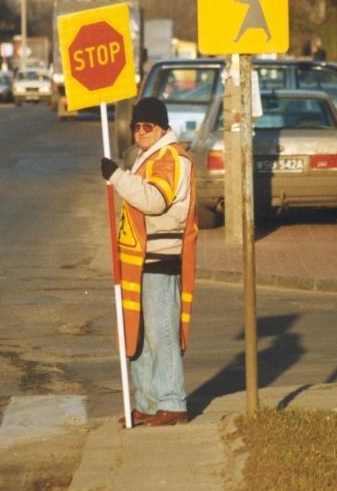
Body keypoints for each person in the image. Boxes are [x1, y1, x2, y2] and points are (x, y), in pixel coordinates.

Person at [100, 97, 197, 427]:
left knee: (161, 334)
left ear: (163, 128)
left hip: (159, 257)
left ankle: (172, 403)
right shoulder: (149, 156)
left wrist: (118, 177)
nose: (141, 132)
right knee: (137, 333)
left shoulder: (169, 158)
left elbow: (154, 200)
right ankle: (148, 401)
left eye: (148, 126)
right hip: (137, 259)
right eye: (136, 126)